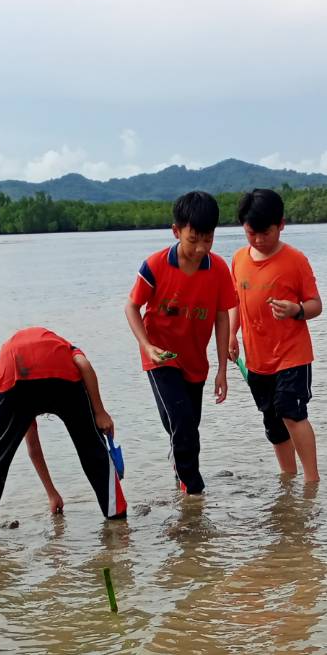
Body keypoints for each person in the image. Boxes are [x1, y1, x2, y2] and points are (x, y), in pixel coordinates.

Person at [0, 326, 126, 539]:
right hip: (60, 378)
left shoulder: (8, 390)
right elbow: (83, 363)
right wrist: (100, 412)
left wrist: (51, 492)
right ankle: (116, 515)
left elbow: (33, 449)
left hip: (13, 374)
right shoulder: (64, 346)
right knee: (92, 449)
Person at [124, 191, 237, 497]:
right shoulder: (155, 266)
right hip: (161, 355)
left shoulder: (218, 270)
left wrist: (222, 370)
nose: (201, 248)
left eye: (208, 239)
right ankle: (194, 492)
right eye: (193, 239)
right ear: (176, 231)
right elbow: (131, 307)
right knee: (182, 423)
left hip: (195, 361)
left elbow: (222, 317)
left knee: (187, 426)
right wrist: (146, 346)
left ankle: (180, 475)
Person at [228, 188, 322, 483]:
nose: (258, 240)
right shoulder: (238, 259)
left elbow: (316, 305)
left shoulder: (296, 260)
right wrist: (231, 336)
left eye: (265, 233)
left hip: (292, 354)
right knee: (272, 421)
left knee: (291, 412)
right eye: (251, 233)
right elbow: (235, 303)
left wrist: (296, 309)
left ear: (281, 224)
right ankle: (288, 479)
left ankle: (311, 481)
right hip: (257, 358)